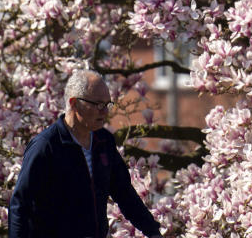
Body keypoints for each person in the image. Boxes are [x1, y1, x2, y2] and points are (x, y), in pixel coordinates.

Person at [9, 70, 163, 238]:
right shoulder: (46, 146)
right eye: (98, 105)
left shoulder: (104, 142)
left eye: (108, 105)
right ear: (74, 103)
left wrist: (153, 232)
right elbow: (21, 205)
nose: (105, 112)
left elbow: (124, 193)